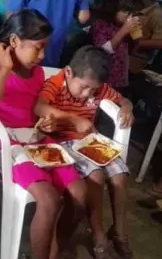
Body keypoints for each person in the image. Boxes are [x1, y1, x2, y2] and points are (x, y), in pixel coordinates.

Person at [0, 10, 87, 259]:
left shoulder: (37, 73)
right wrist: (5, 68)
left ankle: (53, 250)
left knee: (80, 194)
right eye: (38, 48)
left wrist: (46, 122)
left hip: (36, 140)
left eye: (44, 48)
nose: (42, 55)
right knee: (48, 199)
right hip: (7, 145)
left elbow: (35, 110)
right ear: (14, 42)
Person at [35, 46, 134, 259]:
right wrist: (72, 119)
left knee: (119, 175)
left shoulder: (97, 87)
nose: (88, 94)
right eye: (84, 87)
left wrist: (127, 107)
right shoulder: (56, 83)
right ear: (69, 73)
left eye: (93, 90)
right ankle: (98, 233)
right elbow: (40, 108)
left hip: (90, 141)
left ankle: (119, 231)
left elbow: (122, 99)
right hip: (64, 142)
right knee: (95, 175)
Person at [90, 0, 146, 91]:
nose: (129, 16)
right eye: (126, 11)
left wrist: (135, 35)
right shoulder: (101, 24)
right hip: (104, 81)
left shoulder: (123, 25)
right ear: (112, 7)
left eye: (132, 12)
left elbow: (135, 46)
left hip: (121, 80)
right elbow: (102, 51)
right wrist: (123, 31)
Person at [128, 0, 162, 74]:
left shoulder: (156, 13)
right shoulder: (136, 6)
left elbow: (159, 42)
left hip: (138, 59)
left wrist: (140, 44)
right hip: (126, 51)